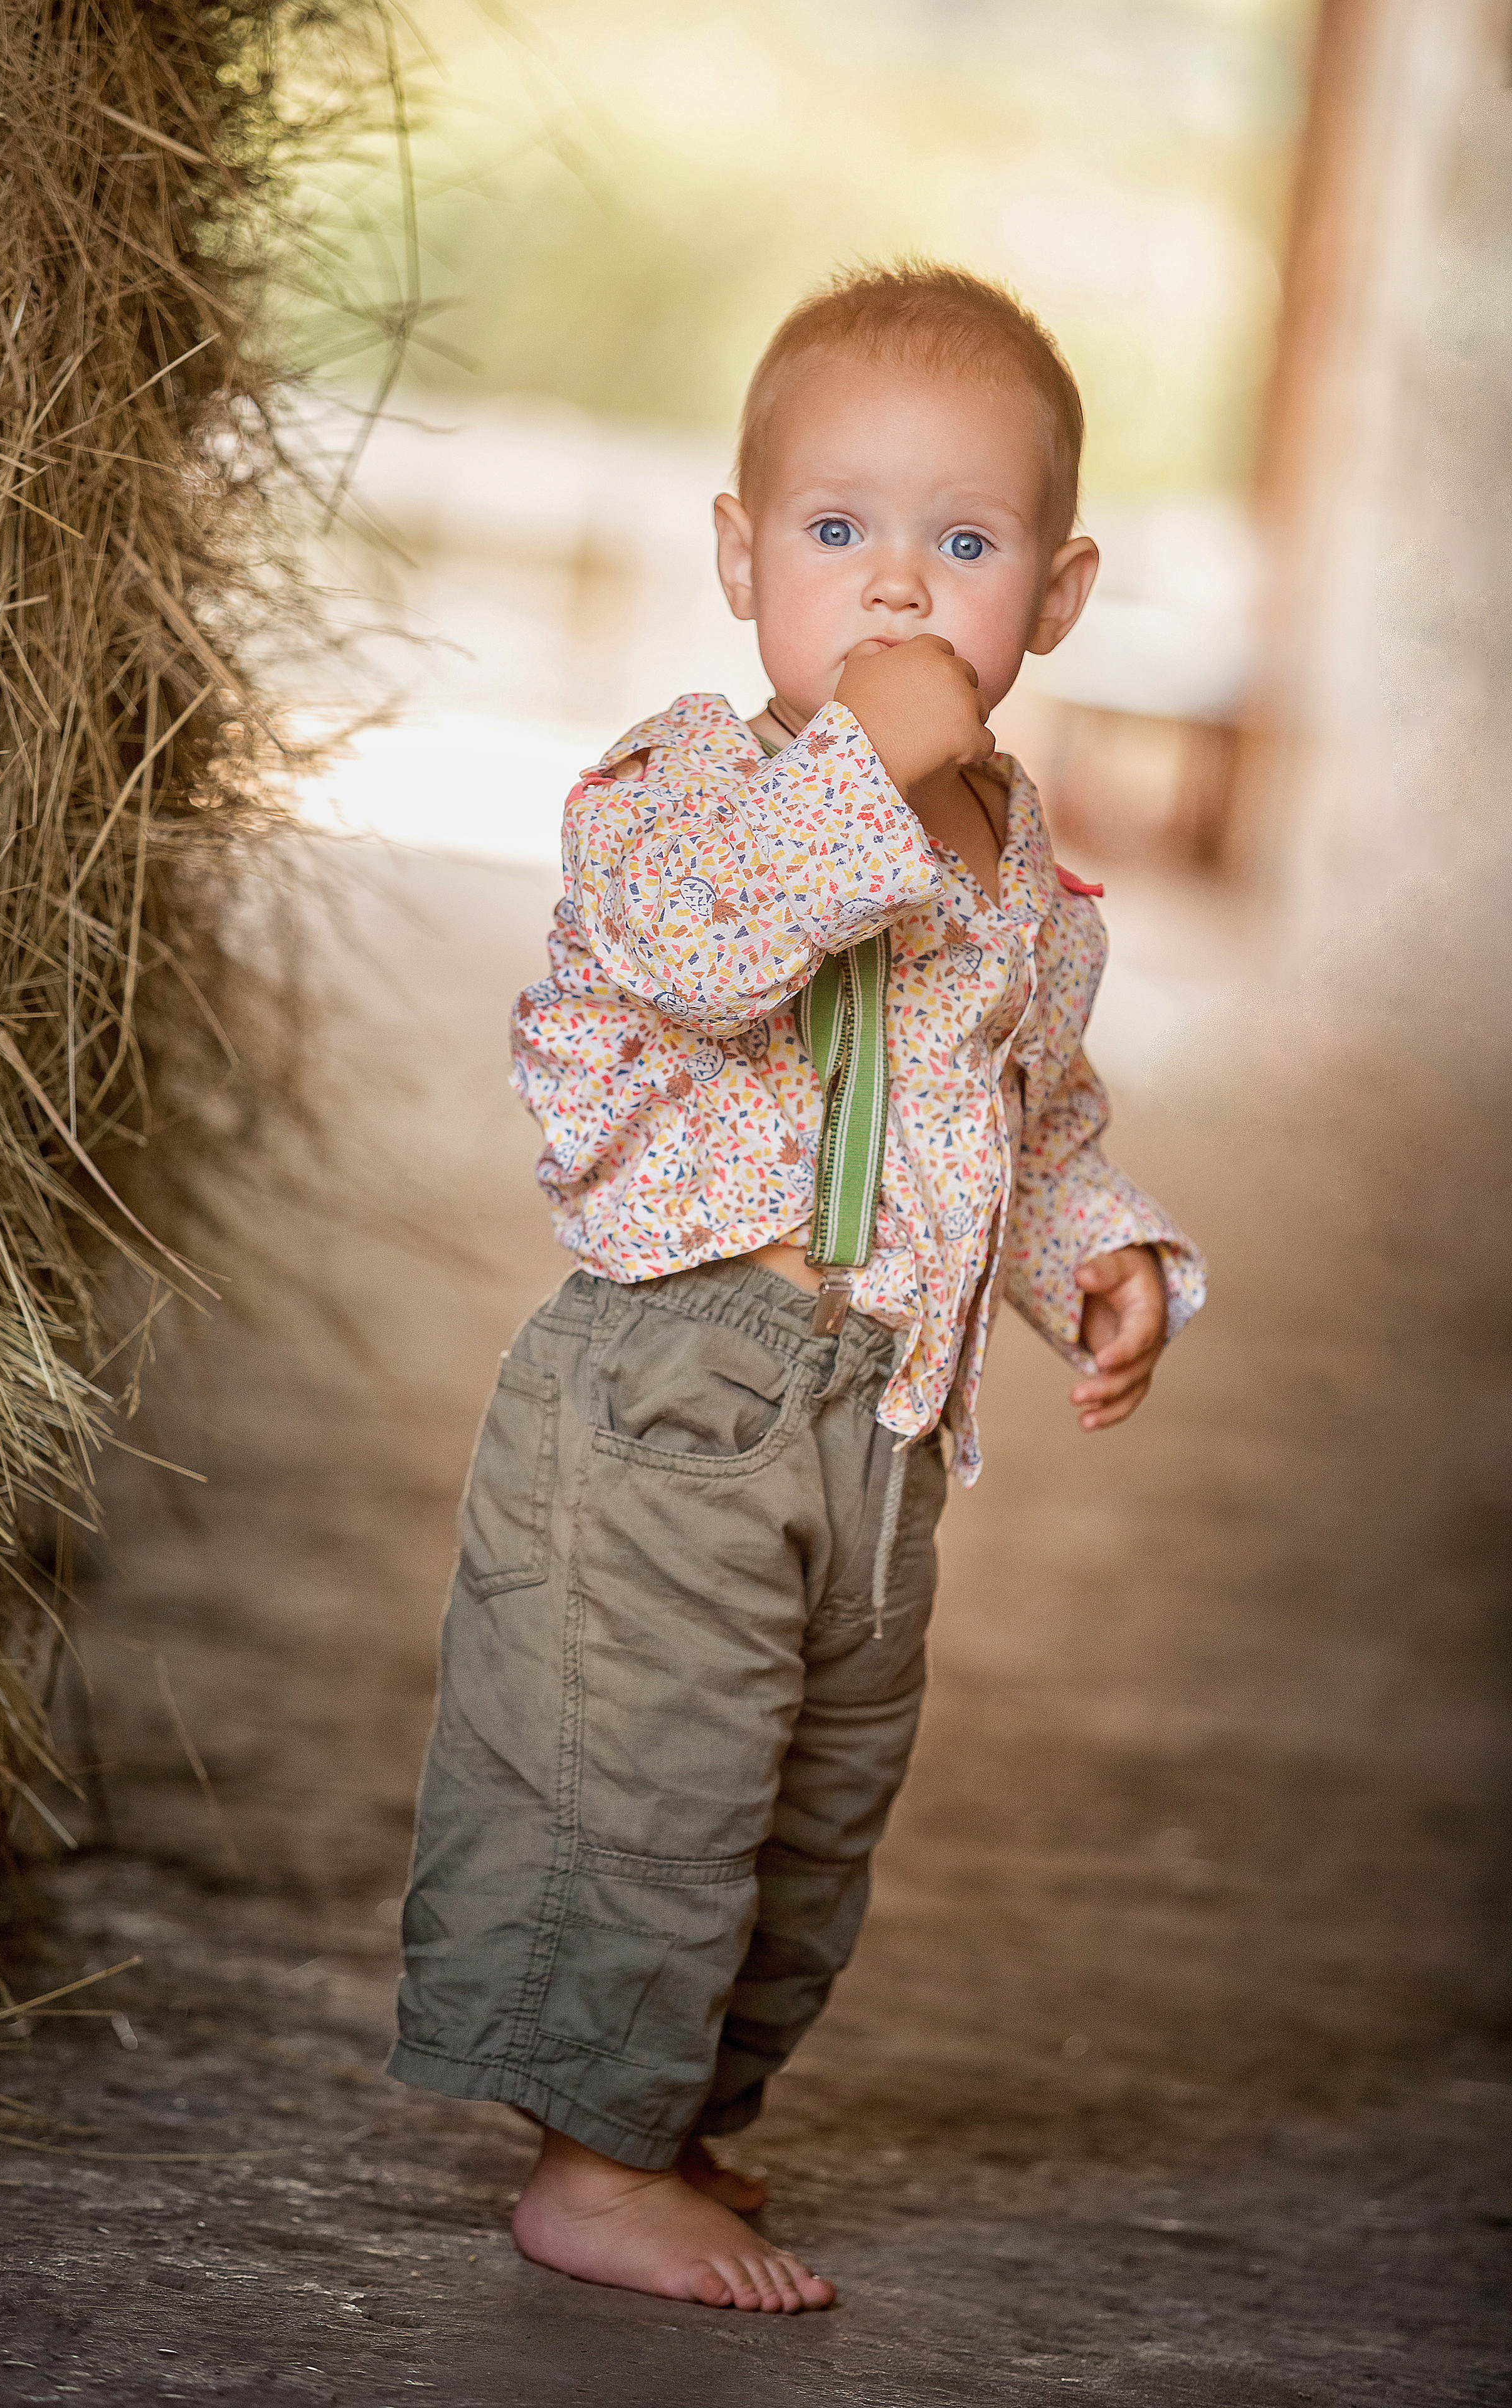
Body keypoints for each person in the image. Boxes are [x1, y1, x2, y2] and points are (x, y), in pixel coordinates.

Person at [389, 261, 1206, 2314]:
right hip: (672, 1390)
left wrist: (1093, 1247)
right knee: (641, 1781)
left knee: (805, 1812)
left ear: (1064, 591)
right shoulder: (679, 794)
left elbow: (1014, 1112)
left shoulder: (1027, 870)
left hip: (882, 1427)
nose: (903, 593)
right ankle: (588, 2159)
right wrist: (870, 768)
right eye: (839, 535)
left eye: (967, 543)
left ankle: (683, 2116)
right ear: (744, 556)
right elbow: (687, 951)